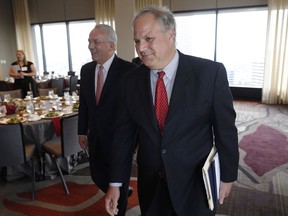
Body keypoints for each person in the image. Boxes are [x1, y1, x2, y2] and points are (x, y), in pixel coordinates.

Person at [105, 5, 239, 216]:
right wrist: (115, 183)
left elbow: (226, 130)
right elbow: (123, 137)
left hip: (195, 183)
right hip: (152, 183)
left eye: (148, 39)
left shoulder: (209, 74)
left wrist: (228, 175)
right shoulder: (130, 82)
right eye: (137, 41)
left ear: (170, 35)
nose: (141, 48)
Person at [77, 24, 137, 216]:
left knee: (118, 178)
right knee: (96, 175)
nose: (90, 46)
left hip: (120, 139)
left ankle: (119, 209)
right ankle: (122, 191)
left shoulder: (130, 71)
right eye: (89, 41)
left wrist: (137, 140)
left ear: (111, 46)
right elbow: (84, 104)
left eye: (96, 42)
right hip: (95, 136)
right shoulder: (86, 70)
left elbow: (134, 110)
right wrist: (81, 130)